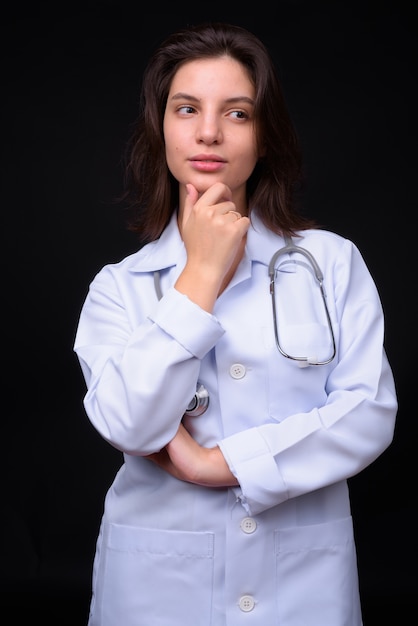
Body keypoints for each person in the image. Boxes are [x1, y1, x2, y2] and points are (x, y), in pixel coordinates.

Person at [73, 21, 398, 626]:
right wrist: (199, 274)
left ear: (266, 134)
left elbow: (368, 410)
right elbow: (128, 424)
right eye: (186, 108)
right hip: (158, 583)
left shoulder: (330, 262)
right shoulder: (119, 287)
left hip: (303, 582)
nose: (208, 132)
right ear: (161, 128)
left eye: (238, 113)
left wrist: (218, 465)